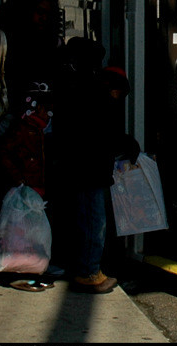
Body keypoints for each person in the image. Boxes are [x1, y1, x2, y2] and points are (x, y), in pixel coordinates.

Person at [0, 0, 65, 291]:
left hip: (42, 132)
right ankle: (10, 260)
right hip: (12, 130)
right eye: (39, 12)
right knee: (8, 193)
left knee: (38, 197)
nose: (43, 19)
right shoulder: (5, 39)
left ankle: (32, 258)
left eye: (48, 14)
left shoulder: (52, 44)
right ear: (25, 10)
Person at [53, 38, 137, 294]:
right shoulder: (93, 91)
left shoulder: (73, 85)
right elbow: (102, 135)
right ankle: (89, 272)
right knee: (93, 221)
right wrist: (128, 145)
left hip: (78, 168)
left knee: (83, 219)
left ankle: (84, 267)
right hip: (90, 171)